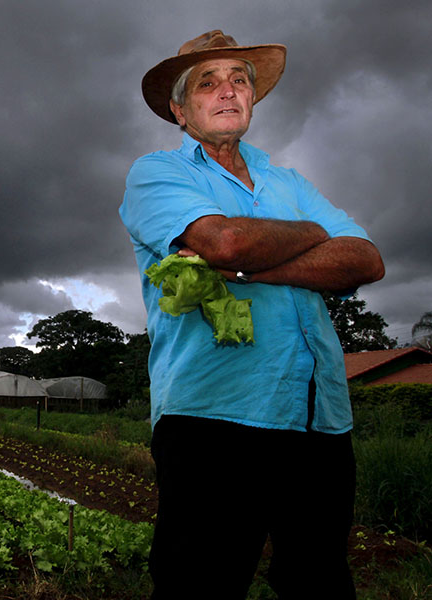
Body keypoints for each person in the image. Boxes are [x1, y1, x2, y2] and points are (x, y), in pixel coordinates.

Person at [119, 30, 385, 599]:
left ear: (253, 99)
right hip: (213, 413)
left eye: (239, 80)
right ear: (179, 109)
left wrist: (251, 267)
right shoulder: (158, 173)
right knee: (201, 583)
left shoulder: (288, 182)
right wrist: (312, 240)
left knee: (319, 581)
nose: (227, 92)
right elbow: (227, 243)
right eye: (207, 83)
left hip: (319, 417)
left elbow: (366, 259)